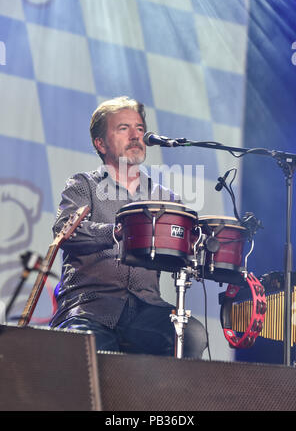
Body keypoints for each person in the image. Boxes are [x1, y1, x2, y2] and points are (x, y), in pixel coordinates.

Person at [50, 96, 207, 358]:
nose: (136, 135)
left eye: (140, 128)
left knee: (191, 335)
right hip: (89, 306)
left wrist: (200, 247)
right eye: (123, 128)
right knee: (85, 349)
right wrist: (116, 232)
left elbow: (182, 254)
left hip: (148, 310)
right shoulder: (82, 185)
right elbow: (65, 233)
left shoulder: (166, 199)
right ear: (100, 143)